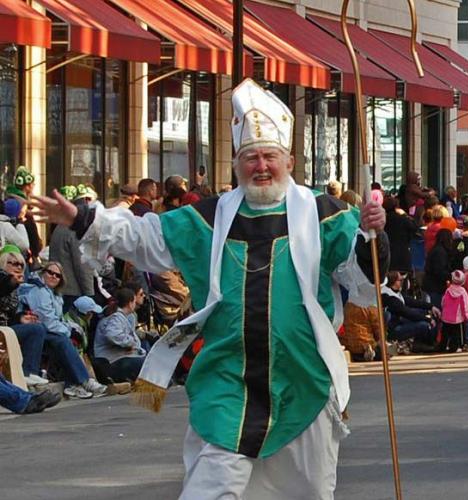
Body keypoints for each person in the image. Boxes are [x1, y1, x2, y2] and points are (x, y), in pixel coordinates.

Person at [29, 79, 388, 498]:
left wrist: (369, 235)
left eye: (269, 156)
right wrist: (85, 219)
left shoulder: (326, 215)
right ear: (236, 163)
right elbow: (147, 238)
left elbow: (360, 276)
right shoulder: (208, 217)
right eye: (250, 157)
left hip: (302, 384)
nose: (261, 166)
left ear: (290, 160)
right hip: (226, 385)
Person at [17, 261, 108, 398]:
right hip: (35, 330)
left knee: (66, 339)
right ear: (43, 272)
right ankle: (83, 381)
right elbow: (47, 320)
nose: (54, 277)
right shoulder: (38, 290)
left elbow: (57, 320)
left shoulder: (56, 294)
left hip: (44, 330)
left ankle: (73, 384)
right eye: (50, 272)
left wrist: (68, 329)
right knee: (62, 340)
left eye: (58, 275)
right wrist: (69, 331)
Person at [0, 248, 50, 387]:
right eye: (14, 263)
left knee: (38, 328)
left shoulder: (15, 286)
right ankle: (27, 373)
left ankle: (30, 372)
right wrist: (11, 281)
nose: (18, 267)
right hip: (2, 331)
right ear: (3, 263)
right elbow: (2, 287)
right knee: (38, 330)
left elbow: (9, 316)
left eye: (21, 265)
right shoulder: (5, 280)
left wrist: (21, 318)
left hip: (6, 329)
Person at [48, 190, 96, 311]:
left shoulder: (60, 226)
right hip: (73, 291)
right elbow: (82, 265)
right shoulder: (76, 230)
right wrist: (89, 293)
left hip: (60, 287)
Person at [93, 286, 147, 382]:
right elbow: (112, 334)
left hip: (115, 357)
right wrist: (130, 344)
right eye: (134, 302)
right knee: (145, 364)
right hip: (109, 361)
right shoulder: (116, 317)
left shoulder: (122, 316)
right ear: (130, 303)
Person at [380, 271, 438, 354]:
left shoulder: (395, 292)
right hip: (394, 329)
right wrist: (427, 319)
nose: (402, 283)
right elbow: (407, 312)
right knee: (423, 325)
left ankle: (428, 342)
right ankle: (419, 344)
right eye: (400, 280)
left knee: (424, 312)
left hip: (399, 320)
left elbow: (412, 302)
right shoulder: (389, 297)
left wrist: (431, 307)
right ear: (394, 282)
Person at [5, 166, 42, 261]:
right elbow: (31, 236)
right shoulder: (22, 207)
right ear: (27, 185)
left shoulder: (10, 201)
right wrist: (36, 248)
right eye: (32, 184)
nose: (34, 186)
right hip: (22, 256)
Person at [383, 195, 419, 276]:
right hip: (402, 254)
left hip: (387, 254)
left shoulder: (383, 220)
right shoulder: (402, 219)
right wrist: (405, 215)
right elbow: (415, 227)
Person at [423, 229, 457, 309]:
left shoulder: (436, 249)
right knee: (436, 309)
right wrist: (452, 276)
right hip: (434, 287)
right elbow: (439, 271)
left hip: (432, 285)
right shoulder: (440, 252)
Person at [440, 270, 468, 353]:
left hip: (446, 316)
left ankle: (443, 346)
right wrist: (467, 315)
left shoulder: (448, 290)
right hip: (457, 317)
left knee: (445, 332)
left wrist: (443, 310)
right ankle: (454, 347)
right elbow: (465, 305)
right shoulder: (462, 291)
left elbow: (443, 301)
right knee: (456, 334)